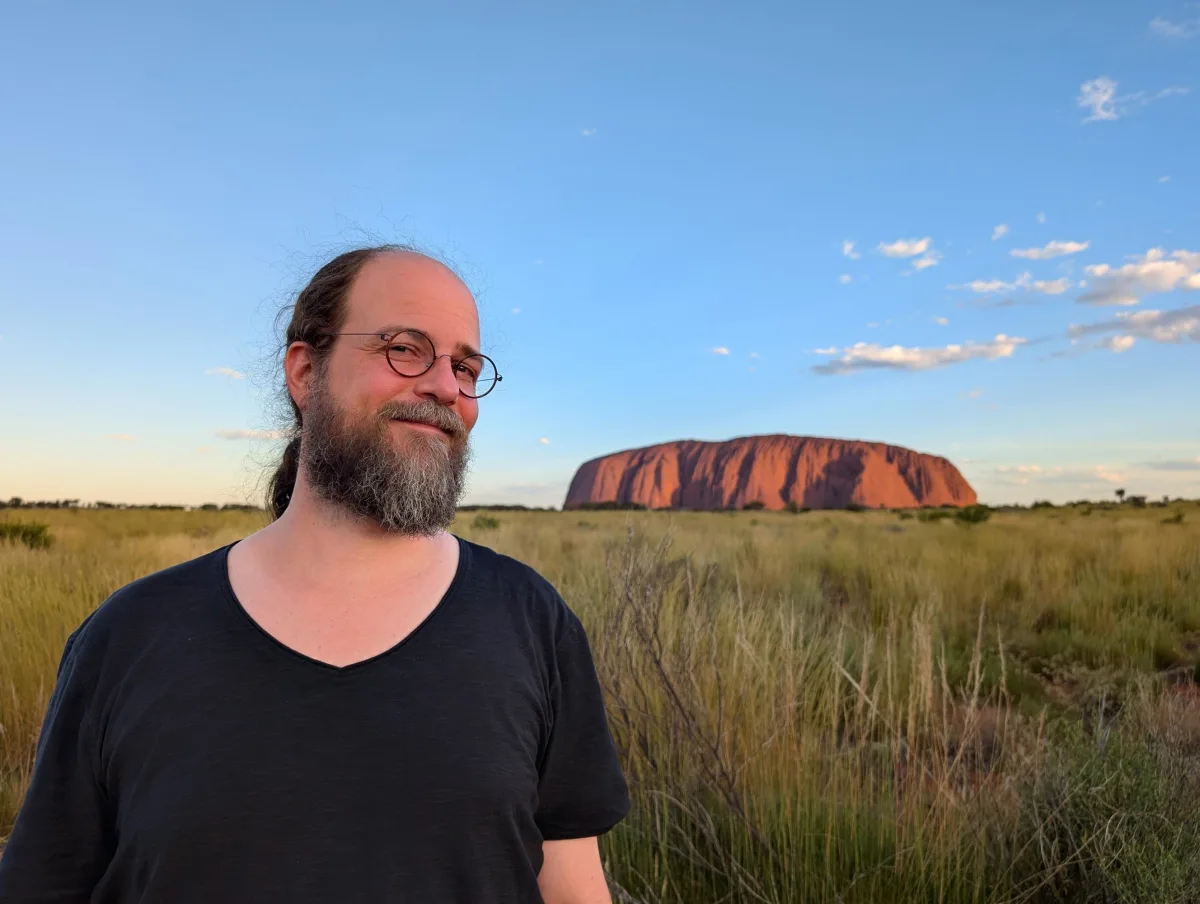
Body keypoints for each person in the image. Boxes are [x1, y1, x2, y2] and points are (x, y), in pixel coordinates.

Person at [0, 246, 631, 903]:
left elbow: (572, 887)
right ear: (305, 372)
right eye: (405, 349)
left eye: (465, 367)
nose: (447, 387)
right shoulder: (127, 637)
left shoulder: (533, 621)